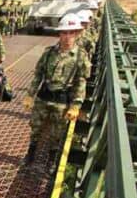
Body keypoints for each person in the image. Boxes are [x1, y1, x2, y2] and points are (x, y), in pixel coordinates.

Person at [23, 14, 91, 171]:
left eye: (71, 33)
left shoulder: (80, 56)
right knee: (35, 127)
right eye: (64, 33)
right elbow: (38, 74)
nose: (67, 37)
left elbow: (81, 82)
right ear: (59, 34)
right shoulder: (48, 53)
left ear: (77, 34)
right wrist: (30, 95)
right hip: (43, 96)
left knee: (57, 133)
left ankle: (51, 162)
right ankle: (30, 156)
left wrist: (76, 105)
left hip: (61, 100)